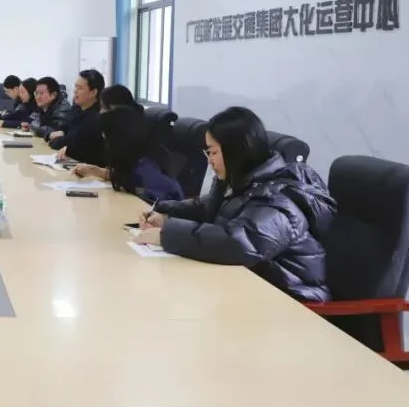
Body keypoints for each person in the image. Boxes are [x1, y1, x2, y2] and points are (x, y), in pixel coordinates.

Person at [135, 106, 334, 301]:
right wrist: (165, 215)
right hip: (248, 288)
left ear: (235, 151)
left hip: (290, 301)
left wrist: (166, 235)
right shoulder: (241, 181)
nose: (209, 161)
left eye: (213, 152)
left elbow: (239, 243)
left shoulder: (279, 199)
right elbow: (207, 209)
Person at [70, 106, 183, 202]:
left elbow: (150, 196)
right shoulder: (134, 158)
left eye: (106, 137)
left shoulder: (145, 167)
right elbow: (129, 179)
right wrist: (98, 171)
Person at [49, 70, 106, 164]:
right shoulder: (76, 108)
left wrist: (58, 140)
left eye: (79, 88)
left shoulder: (96, 117)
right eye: (75, 87)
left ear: (93, 92)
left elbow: (70, 142)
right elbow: (64, 129)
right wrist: (62, 132)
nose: (75, 91)